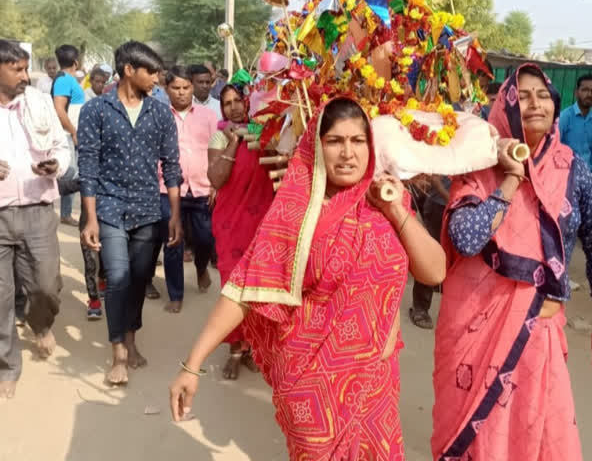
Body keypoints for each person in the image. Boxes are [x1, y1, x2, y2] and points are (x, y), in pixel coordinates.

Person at [170, 97, 446, 458]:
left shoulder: (387, 203)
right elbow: (245, 290)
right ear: (317, 147)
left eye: (357, 140)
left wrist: (395, 209)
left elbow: (434, 270)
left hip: (374, 382)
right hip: (310, 385)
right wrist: (192, 365)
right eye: (334, 141)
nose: (347, 153)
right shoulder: (293, 214)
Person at [431, 64, 592, 461]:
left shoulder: (573, 170)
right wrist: (511, 179)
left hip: (541, 338)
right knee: (484, 446)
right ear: (507, 107)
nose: (536, 103)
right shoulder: (478, 168)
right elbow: (466, 240)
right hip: (481, 336)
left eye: (543, 95)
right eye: (524, 95)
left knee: (542, 443)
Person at [0, 40, 70, 398]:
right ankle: (6, 366)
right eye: (18, 69)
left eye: (27, 68)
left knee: (45, 285)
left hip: (37, 210)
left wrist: (56, 164)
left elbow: (61, 146)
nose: (27, 76)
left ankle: (40, 324)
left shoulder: (39, 104)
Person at [79, 41, 182, 385]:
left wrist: (175, 214)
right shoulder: (96, 111)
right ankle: (118, 353)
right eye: (150, 71)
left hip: (148, 212)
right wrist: (90, 218)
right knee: (119, 278)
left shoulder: (161, 113)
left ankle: (132, 339)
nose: (157, 78)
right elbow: (88, 166)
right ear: (128, 70)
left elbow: (171, 166)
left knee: (138, 281)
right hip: (109, 208)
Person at [206, 83, 273, 379]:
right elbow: (217, 179)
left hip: (261, 220)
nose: (233, 107)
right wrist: (234, 143)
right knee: (232, 285)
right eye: (227, 103)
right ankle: (235, 350)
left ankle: (255, 348)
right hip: (231, 223)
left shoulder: (265, 132)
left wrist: (261, 140)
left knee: (259, 286)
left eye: (238, 101)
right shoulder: (219, 136)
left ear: (248, 103)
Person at [156, 66, 218, 313]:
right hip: (168, 189)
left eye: (186, 88)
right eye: (176, 88)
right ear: (166, 88)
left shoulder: (209, 116)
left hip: (203, 188)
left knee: (205, 239)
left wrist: (215, 183)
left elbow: (217, 150)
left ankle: (202, 268)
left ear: (193, 87)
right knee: (173, 241)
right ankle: (175, 294)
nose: (182, 93)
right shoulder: (159, 116)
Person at [408, 174, 451, 330]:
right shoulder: (445, 149)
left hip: (464, 208)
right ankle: (420, 309)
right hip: (439, 206)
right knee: (429, 257)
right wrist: (451, 198)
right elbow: (434, 178)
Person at [559, 74, 592, 209]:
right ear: (576, 92)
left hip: (585, 184)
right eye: (585, 90)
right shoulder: (564, 118)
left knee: (584, 225)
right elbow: (552, 150)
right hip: (564, 182)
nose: (589, 94)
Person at [52, 44, 86, 226]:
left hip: (72, 132)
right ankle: (61, 211)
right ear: (76, 62)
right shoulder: (64, 80)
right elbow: (59, 108)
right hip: (66, 133)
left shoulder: (68, 79)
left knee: (73, 173)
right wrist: (73, 131)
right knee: (70, 173)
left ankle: (66, 213)